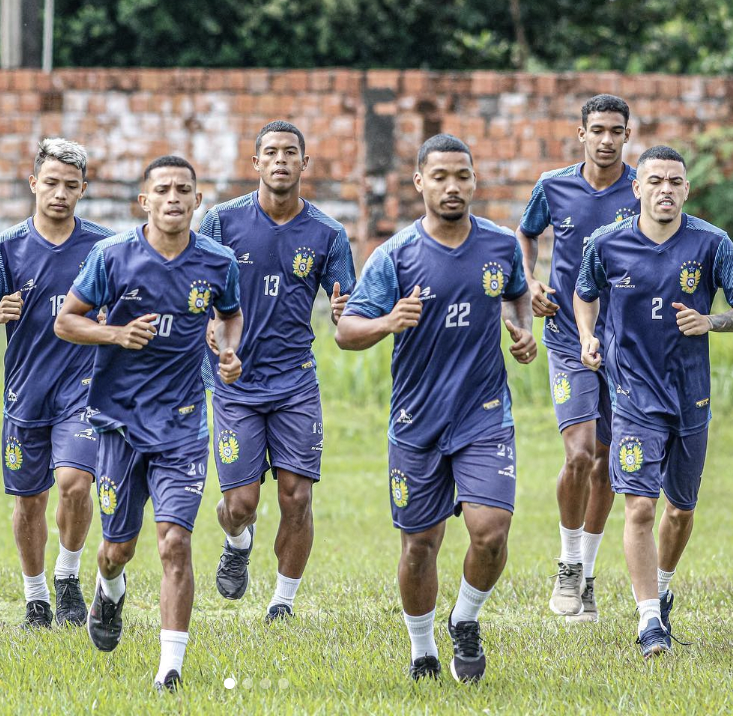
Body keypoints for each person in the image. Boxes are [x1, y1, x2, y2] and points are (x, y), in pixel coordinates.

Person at [336, 134, 536, 682]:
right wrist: (387, 322)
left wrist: (522, 328)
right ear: (419, 182)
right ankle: (422, 648)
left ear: (474, 181)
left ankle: (465, 619)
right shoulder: (395, 255)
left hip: (483, 413)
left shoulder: (498, 245)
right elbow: (347, 332)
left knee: (491, 531)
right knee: (420, 545)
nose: (453, 187)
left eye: (463, 176)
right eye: (441, 176)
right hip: (416, 421)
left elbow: (518, 292)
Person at [54, 155, 243, 691]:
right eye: (163, 190)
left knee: (174, 545)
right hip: (117, 424)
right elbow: (66, 320)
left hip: (183, 424)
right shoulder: (111, 257)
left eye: (184, 189)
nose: (174, 198)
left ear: (198, 201)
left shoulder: (217, 261)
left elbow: (229, 314)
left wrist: (228, 350)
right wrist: (115, 335)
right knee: (117, 551)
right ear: (145, 201)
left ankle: (170, 670)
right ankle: (108, 592)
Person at [574, 145, 733, 658]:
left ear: (687, 189)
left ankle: (662, 590)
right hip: (632, 395)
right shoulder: (607, 243)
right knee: (639, 505)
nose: (666, 189)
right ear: (637, 188)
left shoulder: (713, 244)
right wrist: (587, 335)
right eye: (656, 181)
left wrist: (710, 322)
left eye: (675, 182)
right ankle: (648, 622)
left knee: (681, 512)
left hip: (692, 397)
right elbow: (584, 292)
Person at [198, 120, 355, 621]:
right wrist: (205, 323)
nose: (281, 160)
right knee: (239, 503)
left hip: (295, 383)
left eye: (291, 152)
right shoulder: (222, 223)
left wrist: (344, 309)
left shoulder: (328, 234)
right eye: (272, 152)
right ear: (256, 163)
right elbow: (190, 280)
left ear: (305, 164)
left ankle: (282, 604)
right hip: (234, 381)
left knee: (297, 497)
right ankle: (237, 542)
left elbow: (347, 303)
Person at [0, 138, 113, 628]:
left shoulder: (104, 248)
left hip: (83, 391)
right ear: (33, 183)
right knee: (29, 501)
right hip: (26, 392)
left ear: (83, 190)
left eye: (71, 186)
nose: (60, 194)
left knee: (75, 484)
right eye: (50, 183)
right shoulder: (4, 248)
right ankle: (36, 597)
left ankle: (69, 575)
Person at [517, 94, 638, 622]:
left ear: (626, 135)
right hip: (568, 338)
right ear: (581, 133)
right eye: (598, 130)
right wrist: (530, 279)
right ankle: (567, 564)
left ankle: (586, 575)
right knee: (580, 454)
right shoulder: (553, 186)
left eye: (616, 130)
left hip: (627, 346)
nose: (606, 139)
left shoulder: (641, 188)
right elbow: (525, 234)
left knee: (609, 464)